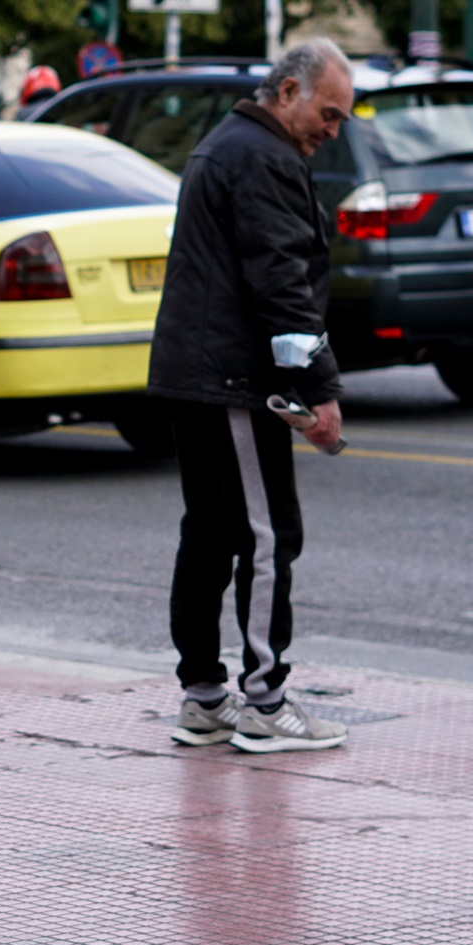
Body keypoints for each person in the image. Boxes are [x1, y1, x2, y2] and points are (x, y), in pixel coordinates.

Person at [148, 38, 354, 754]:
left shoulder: (227, 144)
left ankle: (204, 697)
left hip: (198, 370)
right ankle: (265, 700)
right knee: (267, 537)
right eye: (328, 113)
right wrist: (318, 391)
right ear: (289, 91)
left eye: (343, 118)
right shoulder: (264, 158)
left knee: (208, 532)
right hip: (233, 378)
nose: (334, 129)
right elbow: (281, 283)